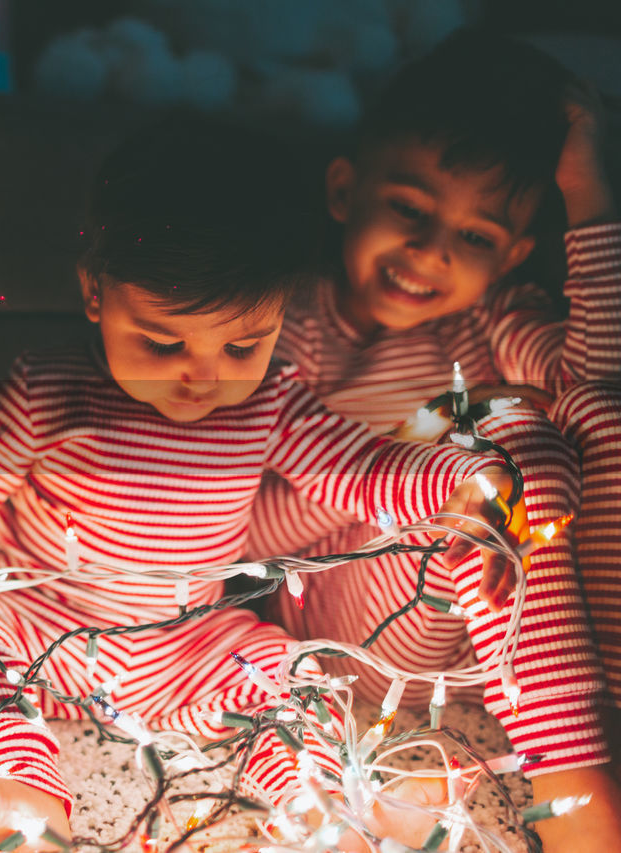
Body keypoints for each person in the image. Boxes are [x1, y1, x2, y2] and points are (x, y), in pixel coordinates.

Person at [0, 127, 518, 851]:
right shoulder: (51, 387)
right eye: (164, 342)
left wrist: (461, 473)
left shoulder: (269, 400)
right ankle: (21, 782)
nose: (203, 376)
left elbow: (359, 466)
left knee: (287, 671)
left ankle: (328, 801)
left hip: (186, 648)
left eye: (242, 346)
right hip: (40, 627)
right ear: (95, 291)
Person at [245, 28, 621, 853]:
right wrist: (423, 454)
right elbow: (246, 536)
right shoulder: (287, 327)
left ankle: (592, 745)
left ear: (515, 253)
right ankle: (584, 817)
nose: (431, 250)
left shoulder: (492, 318)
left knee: (577, 427)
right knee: (494, 455)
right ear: (345, 189)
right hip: (345, 632)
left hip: (488, 643)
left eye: (477, 236)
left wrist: (591, 198)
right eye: (410, 209)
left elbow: (599, 381)